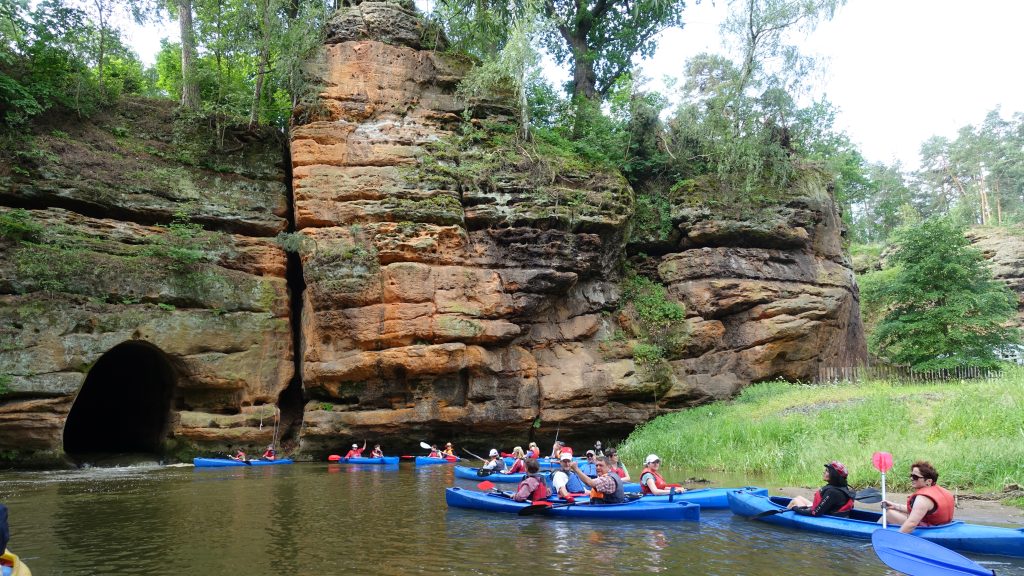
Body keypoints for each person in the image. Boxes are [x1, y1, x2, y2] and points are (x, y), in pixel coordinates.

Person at [881, 461, 955, 532]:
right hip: (944, 526)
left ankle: (873, 533)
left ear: (928, 481)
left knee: (888, 514)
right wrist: (895, 506)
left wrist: (894, 540)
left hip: (929, 529)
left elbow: (911, 524)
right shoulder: (943, 491)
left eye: (915, 477)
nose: (911, 478)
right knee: (894, 511)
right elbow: (919, 510)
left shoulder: (923, 499)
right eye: (911, 475)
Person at [786, 461, 855, 517]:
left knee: (795, 501)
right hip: (828, 510)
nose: (824, 472)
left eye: (827, 471)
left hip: (828, 517)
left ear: (834, 476)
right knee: (799, 497)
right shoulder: (842, 487)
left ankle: (784, 517)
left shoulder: (832, 492)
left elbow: (815, 513)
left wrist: (795, 508)